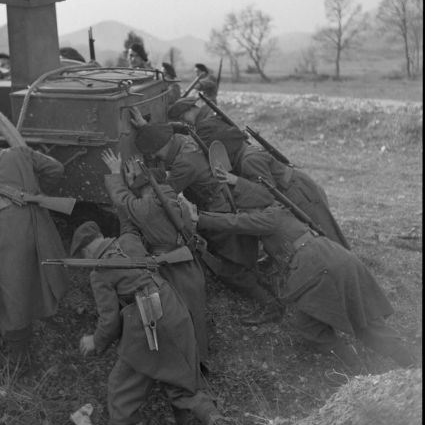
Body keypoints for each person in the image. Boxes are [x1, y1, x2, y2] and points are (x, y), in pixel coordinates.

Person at [193, 167, 416, 370]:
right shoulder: (281, 211)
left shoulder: (267, 218)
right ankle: (412, 365)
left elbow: (233, 223)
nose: (243, 213)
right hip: (336, 255)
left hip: (315, 265)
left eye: (244, 209)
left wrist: (198, 219)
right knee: (367, 323)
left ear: (252, 207)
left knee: (309, 327)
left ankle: (358, 375)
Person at [72, 221, 229, 425]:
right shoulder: (128, 241)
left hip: (146, 326)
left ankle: (127, 424)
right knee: (180, 381)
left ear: (86, 250)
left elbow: (109, 321)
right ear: (101, 235)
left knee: (121, 387)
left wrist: (95, 340)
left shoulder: (99, 274)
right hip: (173, 308)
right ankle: (214, 420)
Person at [133, 121, 282, 322]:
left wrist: (137, 181)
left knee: (232, 268)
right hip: (224, 201)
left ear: (164, 144)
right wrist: (148, 129)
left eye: (153, 152)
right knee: (235, 255)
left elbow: (165, 192)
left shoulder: (185, 162)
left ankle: (270, 305)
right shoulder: (185, 142)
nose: (152, 157)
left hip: (217, 209)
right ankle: (255, 277)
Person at [167, 98, 350, 249]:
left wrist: (235, 180)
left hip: (297, 191)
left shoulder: (249, 160)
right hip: (291, 188)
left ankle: (346, 263)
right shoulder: (244, 153)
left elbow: (266, 194)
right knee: (317, 232)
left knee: (325, 232)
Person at [0, 126, 68, 365]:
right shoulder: (21, 152)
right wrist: (34, 194)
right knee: (40, 273)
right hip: (37, 222)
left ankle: (19, 361)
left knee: (9, 292)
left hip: (5, 232)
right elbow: (56, 169)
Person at [100, 148, 209, 363]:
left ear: (144, 187)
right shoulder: (178, 200)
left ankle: (186, 368)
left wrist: (115, 173)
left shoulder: (149, 207)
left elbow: (123, 201)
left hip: (172, 270)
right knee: (195, 316)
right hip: (190, 266)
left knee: (177, 318)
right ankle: (201, 361)